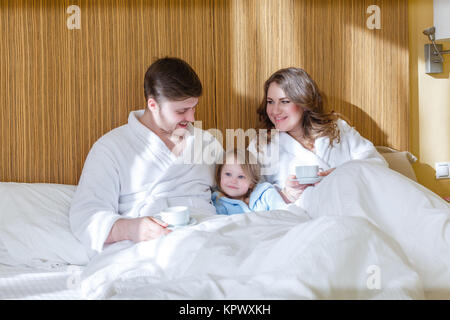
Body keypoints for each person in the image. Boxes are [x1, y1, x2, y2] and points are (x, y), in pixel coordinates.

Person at [69, 57, 223, 256]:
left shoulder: (207, 143)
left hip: (209, 239)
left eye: (194, 107)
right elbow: (86, 217)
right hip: (148, 247)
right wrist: (133, 229)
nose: (192, 118)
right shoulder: (111, 148)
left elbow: (236, 191)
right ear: (153, 105)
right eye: (182, 111)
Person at [249, 67, 387, 206]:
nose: (275, 111)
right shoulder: (261, 145)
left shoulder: (338, 129)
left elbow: (377, 166)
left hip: (353, 207)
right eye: (270, 101)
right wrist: (285, 195)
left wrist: (345, 174)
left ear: (303, 103)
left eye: (284, 101)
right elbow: (248, 198)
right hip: (301, 220)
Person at [212, 149, 288, 215]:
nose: (233, 181)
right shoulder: (218, 202)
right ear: (219, 176)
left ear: (251, 183)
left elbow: (283, 214)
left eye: (241, 176)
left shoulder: (265, 194)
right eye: (228, 174)